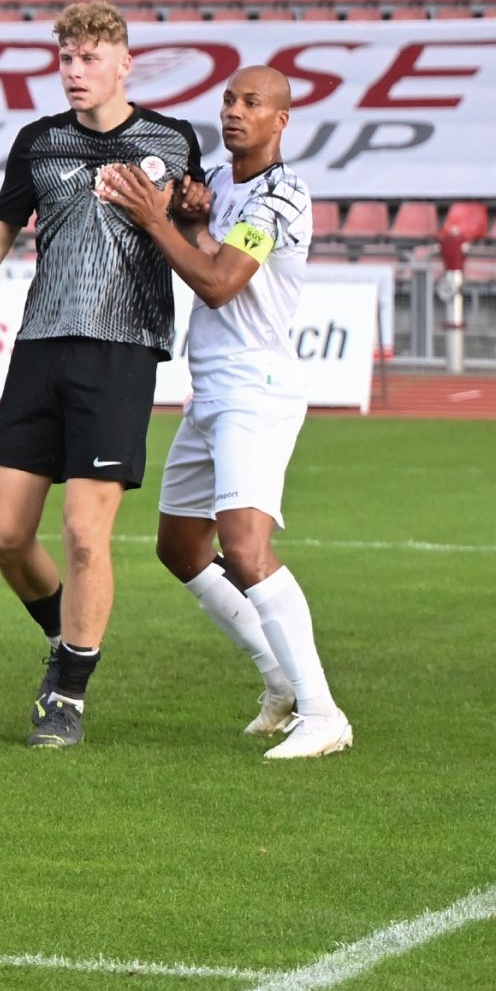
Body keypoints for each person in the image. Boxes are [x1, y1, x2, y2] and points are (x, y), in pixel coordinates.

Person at [0, 0, 204, 748]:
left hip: (122, 349)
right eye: (66, 58)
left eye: (89, 58)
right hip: (39, 346)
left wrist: (195, 215)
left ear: (124, 63)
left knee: (82, 531)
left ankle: (66, 695)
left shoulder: (173, 140)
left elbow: (199, 229)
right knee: (5, 534)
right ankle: (66, 638)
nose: (74, 71)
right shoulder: (38, 141)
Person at [99, 66, 352, 759]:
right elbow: (204, 244)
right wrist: (188, 216)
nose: (235, 111)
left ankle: (323, 713)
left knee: (244, 549)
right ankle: (279, 677)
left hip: (257, 387)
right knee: (180, 547)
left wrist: (161, 220)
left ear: (281, 120)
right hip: (210, 387)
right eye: (230, 99)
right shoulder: (213, 180)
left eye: (253, 103)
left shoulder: (283, 194)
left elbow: (218, 283)